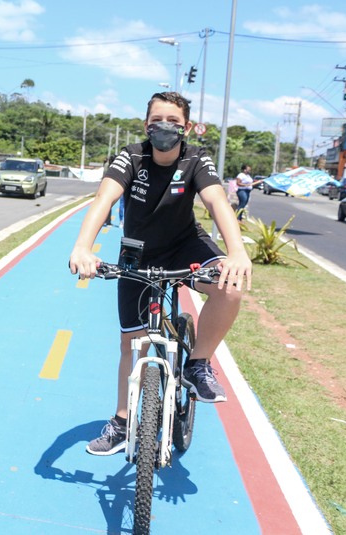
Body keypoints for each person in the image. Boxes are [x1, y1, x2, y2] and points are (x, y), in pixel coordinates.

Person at [69, 91, 252, 456]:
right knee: (131, 343)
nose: (164, 127)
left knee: (229, 288)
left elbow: (216, 201)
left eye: (173, 122)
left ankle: (198, 364)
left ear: (186, 128)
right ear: (145, 124)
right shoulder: (131, 156)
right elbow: (102, 200)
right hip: (138, 252)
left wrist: (237, 252)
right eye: (157, 121)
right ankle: (122, 421)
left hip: (186, 245)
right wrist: (82, 247)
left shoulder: (196, 158)